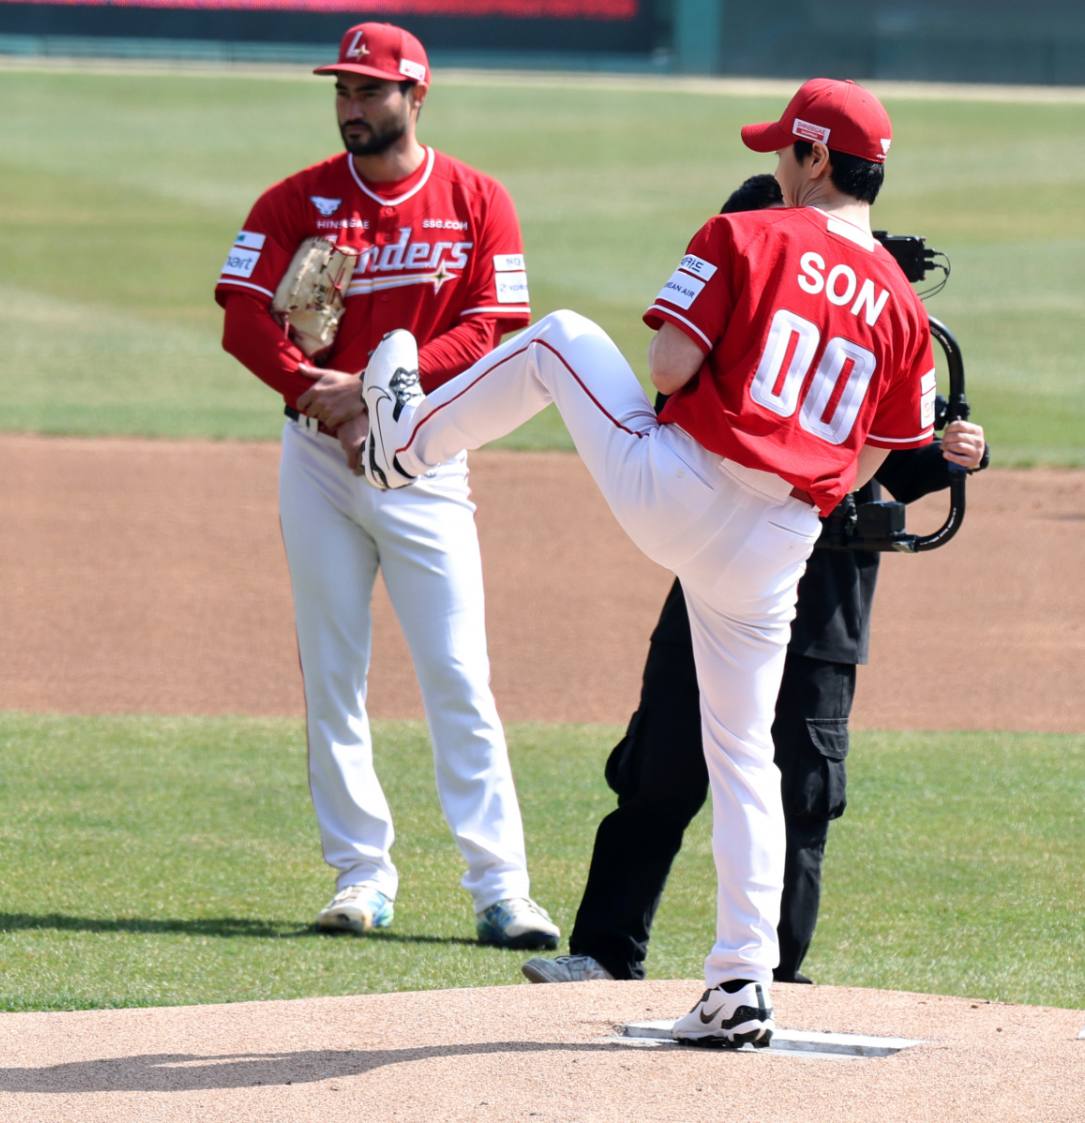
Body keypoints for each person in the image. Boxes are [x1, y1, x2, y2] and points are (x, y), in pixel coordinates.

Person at [361, 79, 936, 1048]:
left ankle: (403, 446)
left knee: (559, 339)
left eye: (785, 149)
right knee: (746, 752)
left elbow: (668, 368)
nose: (777, 165)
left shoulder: (746, 234)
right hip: (780, 547)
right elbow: (879, 452)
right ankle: (740, 981)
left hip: (680, 486)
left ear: (816, 156)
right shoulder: (902, 303)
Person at [520, 175, 988, 991]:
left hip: (825, 595)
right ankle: (605, 951)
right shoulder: (738, 326)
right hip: (724, 569)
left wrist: (954, 451)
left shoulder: (867, 325)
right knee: (660, 763)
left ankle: (774, 973)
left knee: (802, 787)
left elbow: (902, 454)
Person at [216, 21, 559, 951]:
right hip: (318, 461)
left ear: (417, 94)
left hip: (426, 457)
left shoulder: (477, 199)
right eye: (342, 89)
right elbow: (243, 320)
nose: (351, 106)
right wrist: (314, 393)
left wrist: (374, 390)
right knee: (334, 674)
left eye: (369, 90)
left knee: (458, 673)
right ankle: (361, 876)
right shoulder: (296, 201)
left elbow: (489, 327)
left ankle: (502, 889)